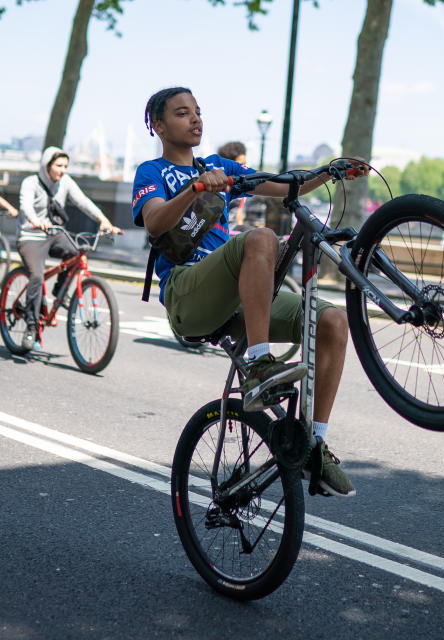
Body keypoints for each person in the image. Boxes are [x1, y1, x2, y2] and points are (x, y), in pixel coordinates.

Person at [133, 86, 365, 498]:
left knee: (332, 321)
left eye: (198, 111)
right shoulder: (151, 173)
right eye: (183, 113)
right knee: (260, 238)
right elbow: (154, 224)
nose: (195, 119)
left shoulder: (218, 165)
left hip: (235, 296)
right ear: (158, 125)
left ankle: (314, 444)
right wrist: (196, 189)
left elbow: (283, 186)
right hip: (187, 293)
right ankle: (260, 365)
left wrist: (329, 171)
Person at [18, 147, 121, 351]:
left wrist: (104, 220)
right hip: (31, 235)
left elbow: (83, 201)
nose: (63, 170)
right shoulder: (30, 183)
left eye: (65, 166)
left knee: (75, 254)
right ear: (47, 166)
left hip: (54, 234)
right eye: (58, 166)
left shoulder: (65, 182)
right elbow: (25, 205)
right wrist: (35, 220)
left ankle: (59, 290)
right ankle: (30, 327)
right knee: (37, 277)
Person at [217, 141, 248, 226]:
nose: (244, 168)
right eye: (241, 165)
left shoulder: (240, 184)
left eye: (245, 164)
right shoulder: (223, 188)